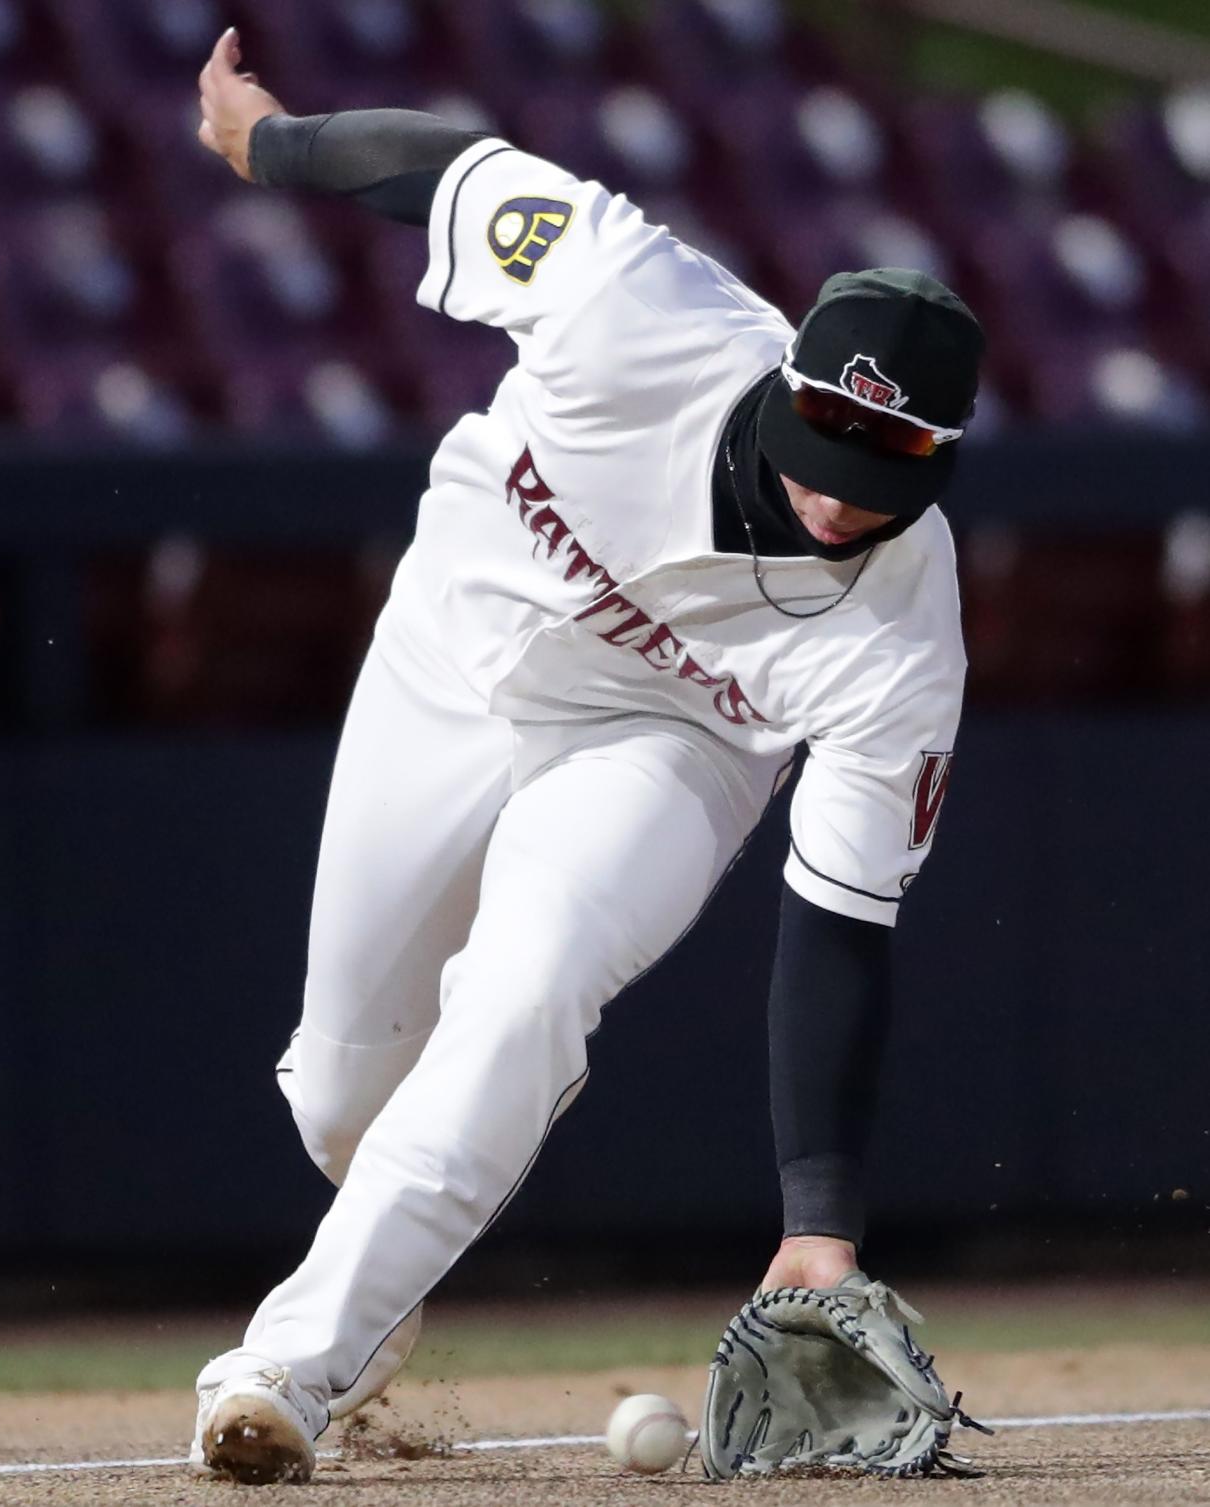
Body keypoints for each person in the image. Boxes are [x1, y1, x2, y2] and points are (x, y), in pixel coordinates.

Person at [192, 27, 985, 1485]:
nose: (837, 500)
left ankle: (285, 1372)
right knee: (334, 1107)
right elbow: (444, 169)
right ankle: (388, 1269)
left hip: (663, 743)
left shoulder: (900, 632)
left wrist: (820, 1219)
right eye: (827, 446)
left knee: (522, 989)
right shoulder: (635, 302)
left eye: (884, 477)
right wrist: (266, 141)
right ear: (789, 376)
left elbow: (840, 925)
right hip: (450, 648)